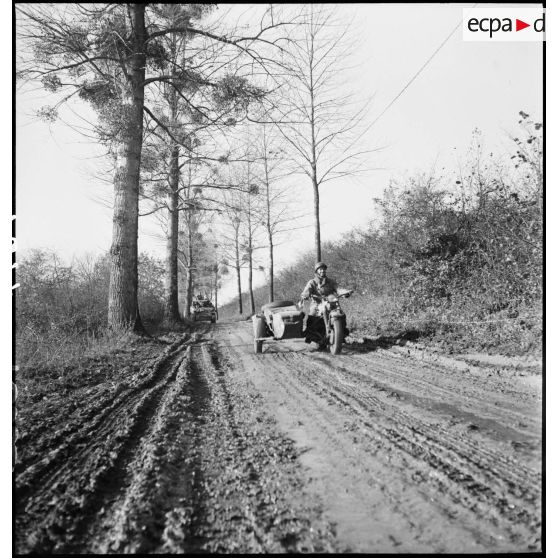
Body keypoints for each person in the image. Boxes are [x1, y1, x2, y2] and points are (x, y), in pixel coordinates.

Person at [300, 262, 339, 343]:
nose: (322, 271)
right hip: (317, 303)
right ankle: (311, 336)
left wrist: (345, 292)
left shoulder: (330, 281)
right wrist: (305, 295)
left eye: (324, 269)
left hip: (330, 303)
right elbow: (306, 291)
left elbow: (338, 289)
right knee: (312, 316)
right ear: (317, 271)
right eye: (320, 269)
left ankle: (342, 333)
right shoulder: (312, 282)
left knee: (340, 314)